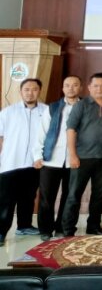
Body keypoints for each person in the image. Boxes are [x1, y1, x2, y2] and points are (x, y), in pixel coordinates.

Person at [61, 73, 102, 237]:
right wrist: (72, 155)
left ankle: (93, 226)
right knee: (74, 195)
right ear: (89, 87)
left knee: (99, 195)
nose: (99, 89)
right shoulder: (81, 105)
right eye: (96, 86)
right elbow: (71, 130)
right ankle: (68, 229)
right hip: (82, 158)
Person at [33, 75, 82, 241]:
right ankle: (45, 229)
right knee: (47, 197)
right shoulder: (53, 108)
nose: (71, 88)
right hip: (51, 159)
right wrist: (37, 155)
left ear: (81, 88)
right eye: (67, 85)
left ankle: (62, 227)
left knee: (69, 197)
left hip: (74, 160)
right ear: (63, 88)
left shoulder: (85, 107)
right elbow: (41, 133)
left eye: (75, 85)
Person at [0, 78, 47, 246]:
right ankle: (1, 232)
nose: (30, 93)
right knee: (6, 200)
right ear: (20, 92)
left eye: (34, 89)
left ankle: (24, 226)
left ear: (39, 91)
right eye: (26, 89)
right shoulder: (8, 112)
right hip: (11, 163)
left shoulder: (46, 111)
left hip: (35, 163)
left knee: (28, 197)